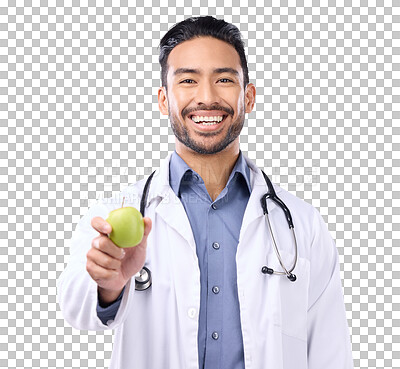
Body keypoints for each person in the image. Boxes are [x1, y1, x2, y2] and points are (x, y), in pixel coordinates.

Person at [57, 16, 354, 369]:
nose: (208, 97)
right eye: (188, 80)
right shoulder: (115, 214)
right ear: (164, 100)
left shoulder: (302, 226)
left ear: (249, 95)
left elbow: (330, 351)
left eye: (224, 79)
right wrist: (109, 286)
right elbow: (75, 308)